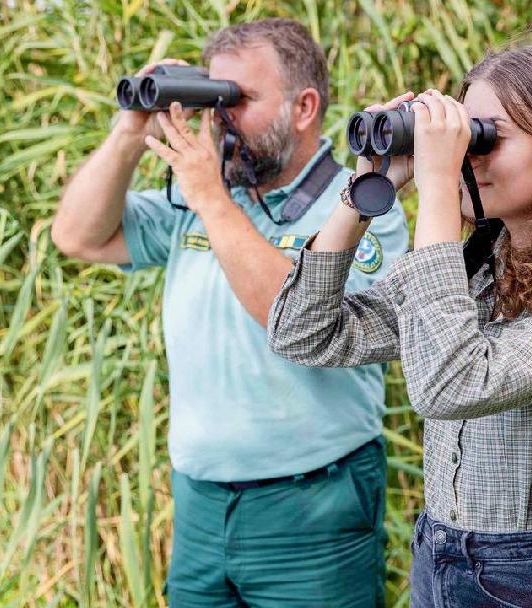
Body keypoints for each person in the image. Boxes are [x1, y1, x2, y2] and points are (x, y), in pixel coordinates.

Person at [268, 43, 532, 608]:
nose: (468, 158)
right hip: (437, 552)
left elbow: (451, 385)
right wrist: (363, 193)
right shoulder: (474, 266)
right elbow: (303, 333)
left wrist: (436, 189)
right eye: (466, 137)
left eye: (487, 137)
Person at [50, 18, 408, 608]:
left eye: (237, 100)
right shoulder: (204, 198)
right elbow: (78, 236)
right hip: (201, 504)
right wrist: (129, 132)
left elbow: (291, 317)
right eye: (213, 98)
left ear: (304, 107)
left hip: (313, 508)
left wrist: (210, 198)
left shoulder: (361, 203)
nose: (220, 118)